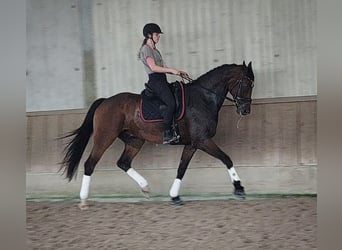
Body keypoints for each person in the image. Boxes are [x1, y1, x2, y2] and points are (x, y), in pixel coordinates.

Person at [138, 23, 189, 144]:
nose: (158, 37)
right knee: (171, 103)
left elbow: (162, 67)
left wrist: (178, 72)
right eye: (156, 34)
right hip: (155, 81)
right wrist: (171, 70)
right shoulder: (146, 49)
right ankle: (167, 134)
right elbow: (154, 67)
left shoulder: (155, 50)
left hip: (162, 79)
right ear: (149, 35)